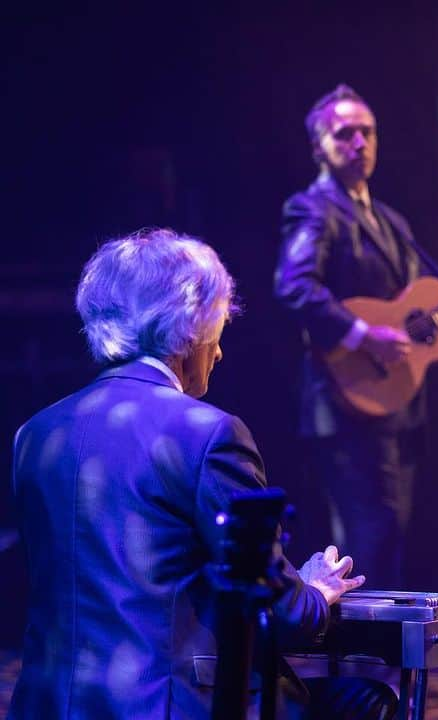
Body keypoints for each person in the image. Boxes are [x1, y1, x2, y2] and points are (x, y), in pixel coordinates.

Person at [10, 228, 396, 719]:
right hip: (172, 707)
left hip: (46, 708)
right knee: (368, 701)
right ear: (188, 328)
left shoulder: (34, 435)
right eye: (218, 329)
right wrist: (315, 591)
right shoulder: (207, 434)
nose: (218, 352)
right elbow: (280, 616)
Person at [274, 84, 438, 589]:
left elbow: (436, 304)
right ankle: (357, 666)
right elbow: (294, 287)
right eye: (345, 134)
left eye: (367, 132)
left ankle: (377, 665)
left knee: (386, 545)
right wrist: (362, 336)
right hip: (345, 404)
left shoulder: (389, 221)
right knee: (364, 550)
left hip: (396, 407)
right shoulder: (315, 209)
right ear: (319, 147)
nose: (359, 142)